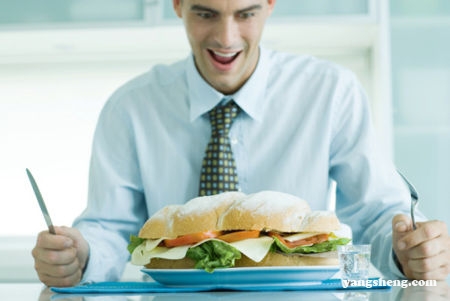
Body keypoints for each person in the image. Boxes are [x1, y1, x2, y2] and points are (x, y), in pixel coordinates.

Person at [32, 0, 450, 287]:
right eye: (206, 13)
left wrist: (406, 251)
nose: (226, 37)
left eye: (245, 13)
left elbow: (378, 214)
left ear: (269, 4)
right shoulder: (131, 107)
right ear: (177, 4)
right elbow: (111, 228)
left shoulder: (331, 92)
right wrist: (79, 256)